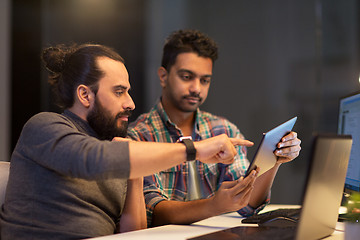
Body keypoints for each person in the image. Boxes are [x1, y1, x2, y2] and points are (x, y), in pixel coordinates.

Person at [0, 43, 252, 240]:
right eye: (119, 91)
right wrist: (193, 149)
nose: (130, 103)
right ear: (85, 95)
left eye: (128, 92)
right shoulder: (44, 127)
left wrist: (134, 174)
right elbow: (91, 159)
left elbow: (135, 232)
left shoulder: (116, 146)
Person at [128, 29, 302, 227]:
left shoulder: (223, 130)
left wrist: (275, 161)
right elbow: (153, 212)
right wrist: (214, 206)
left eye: (205, 80)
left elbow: (247, 204)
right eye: (187, 77)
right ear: (163, 76)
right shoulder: (139, 136)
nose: (196, 88)